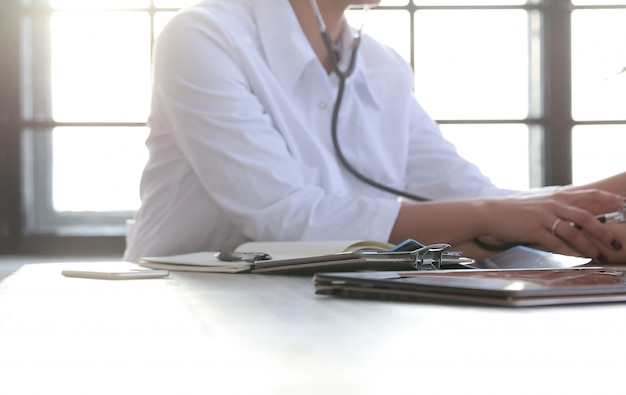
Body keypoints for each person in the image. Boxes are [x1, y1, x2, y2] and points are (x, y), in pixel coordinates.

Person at [123, 0, 626, 264]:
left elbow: (478, 199)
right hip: (185, 299)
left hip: (326, 300)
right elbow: (284, 218)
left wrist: (603, 197)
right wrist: (499, 214)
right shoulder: (204, 37)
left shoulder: (379, 64)